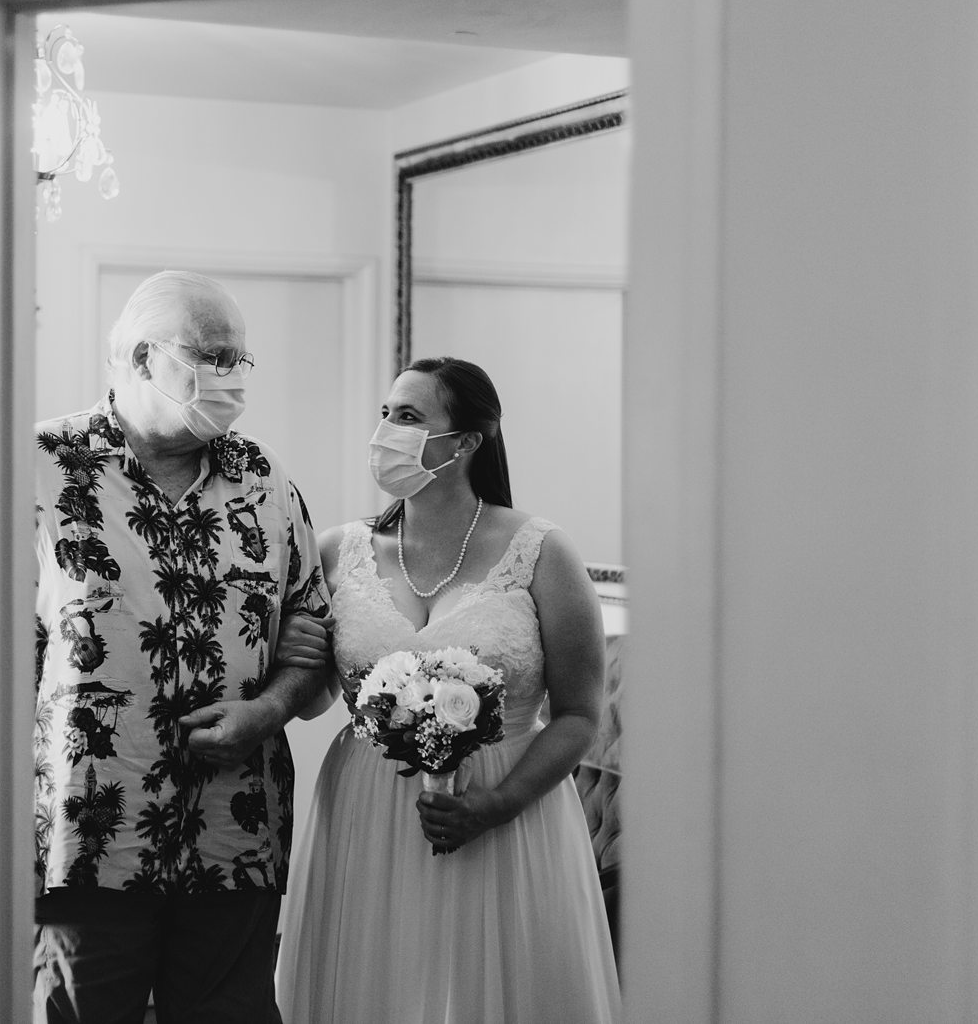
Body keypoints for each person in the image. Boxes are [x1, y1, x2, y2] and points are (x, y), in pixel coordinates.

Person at [275, 356, 622, 1023]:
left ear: (466, 442)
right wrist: (296, 655)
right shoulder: (337, 550)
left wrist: (497, 803)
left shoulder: (544, 553)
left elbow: (580, 714)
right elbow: (318, 698)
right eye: (386, 413)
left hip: (509, 809)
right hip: (368, 810)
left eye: (408, 416)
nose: (386, 431)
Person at [30, 270, 334, 1024]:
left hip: (237, 837)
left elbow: (313, 633)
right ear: (139, 358)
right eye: (211, 354)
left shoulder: (264, 481)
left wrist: (269, 708)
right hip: (91, 841)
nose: (229, 376)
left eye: (239, 359)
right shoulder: (39, 470)